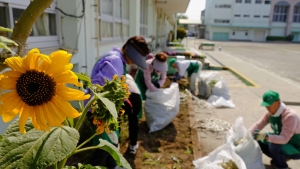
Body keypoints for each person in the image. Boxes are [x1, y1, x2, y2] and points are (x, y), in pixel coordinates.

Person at [89, 36, 150, 169]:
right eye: (133, 58)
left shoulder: (118, 60)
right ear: (128, 50)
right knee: (105, 147)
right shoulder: (115, 60)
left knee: (113, 142)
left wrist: (123, 99)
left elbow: (114, 86)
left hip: (107, 112)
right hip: (101, 112)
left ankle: (113, 166)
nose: (133, 62)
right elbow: (102, 89)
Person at [250, 90, 300, 169]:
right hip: (285, 143)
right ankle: (280, 158)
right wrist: (246, 135)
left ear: (278, 102)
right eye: (266, 105)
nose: (267, 108)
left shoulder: (290, 116)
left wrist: (266, 136)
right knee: (258, 140)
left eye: (270, 105)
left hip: (296, 147)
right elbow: (258, 125)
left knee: (274, 145)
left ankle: (281, 166)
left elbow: (284, 139)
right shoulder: (270, 113)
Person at [121, 74, 142, 154]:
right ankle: (133, 146)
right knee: (133, 121)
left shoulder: (116, 75)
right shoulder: (131, 80)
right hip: (135, 96)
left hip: (121, 96)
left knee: (116, 120)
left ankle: (116, 145)